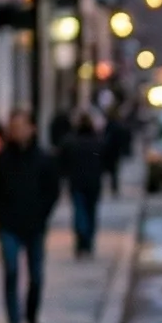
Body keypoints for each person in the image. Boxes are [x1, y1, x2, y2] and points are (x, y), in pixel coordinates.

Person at [0, 108, 61, 323]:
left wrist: (42, 214)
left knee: (35, 276)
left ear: (32, 129)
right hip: (9, 225)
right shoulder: (1, 160)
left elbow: (52, 190)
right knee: (11, 272)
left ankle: (31, 317)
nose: (17, 131)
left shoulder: (43, 159)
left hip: (35, 225)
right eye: (13, 127)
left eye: (21, 126)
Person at [58, 109, 105, 257]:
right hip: (92, 183)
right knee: (90, 213)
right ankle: (87, 242)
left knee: (80, 212)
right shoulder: (97, 141)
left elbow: (62, 162)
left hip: (77, 182)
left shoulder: (70, 141)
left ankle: (82, 240)